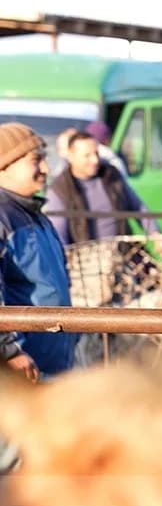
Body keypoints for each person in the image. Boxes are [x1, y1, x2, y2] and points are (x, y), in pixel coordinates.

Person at [0, 123, 78, 381]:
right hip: (22, 371)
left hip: (50, 365)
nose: (45, 168)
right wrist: (10, 351)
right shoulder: (3, 219)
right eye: (36, 160)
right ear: (4, 165)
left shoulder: (35, 216)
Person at [44, 130, 160, 246]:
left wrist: (155, 233)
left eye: (96, 153)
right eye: (87, 156)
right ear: (71, 157)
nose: (95, 160)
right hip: (86, 259)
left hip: (123, 253)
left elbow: (138, 208)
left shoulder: (111, 175)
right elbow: (59, 236)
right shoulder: (59, 190)